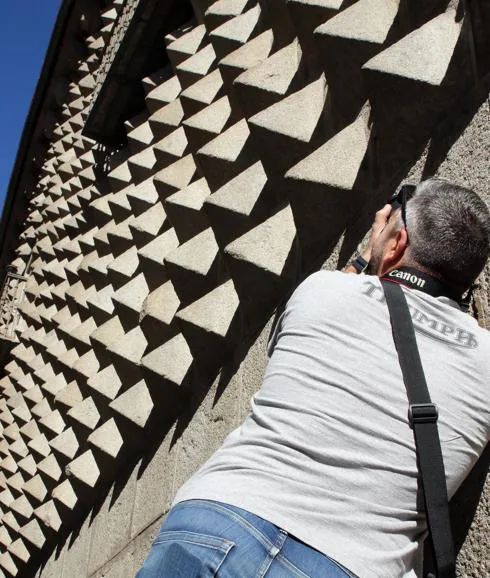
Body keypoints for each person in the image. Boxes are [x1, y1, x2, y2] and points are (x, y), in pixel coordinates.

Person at [136, 178, 490, 578]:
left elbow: (353, 287)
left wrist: (367, 257)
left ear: (396, 244)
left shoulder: (320, 290)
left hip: (219, 515)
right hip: (349, 563)